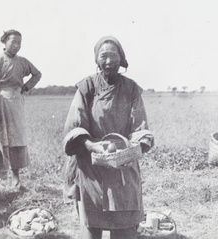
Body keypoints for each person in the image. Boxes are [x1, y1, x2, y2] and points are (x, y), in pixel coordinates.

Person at [63, 35, 154, 239]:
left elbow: (140, 127)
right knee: (92, 224)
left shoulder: (131, 89)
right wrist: (91, 145)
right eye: (103, 56)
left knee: (125, 226)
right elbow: (74, 125)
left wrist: (131, 148)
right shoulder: (86, 88)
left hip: (122, 162)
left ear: (121, 59)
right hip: (90, 164)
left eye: (113, 55)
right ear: (96, 60)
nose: (109, 61)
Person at [0, 29, 42, 194]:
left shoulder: (23, 61)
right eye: (13, 41)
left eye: (19, 43)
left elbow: (37, 74)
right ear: (4, 41)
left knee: (16, 140)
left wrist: (26, 87)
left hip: (17, 103)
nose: (16, 45)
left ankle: (16, 181)